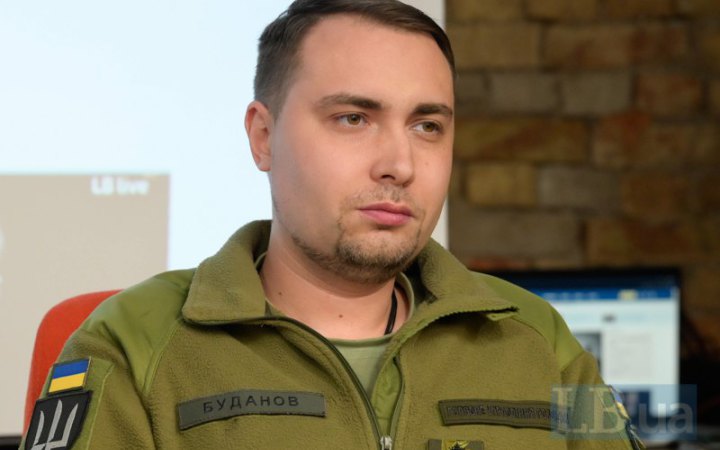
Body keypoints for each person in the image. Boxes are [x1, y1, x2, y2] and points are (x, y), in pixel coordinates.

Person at [22, 1, 644, 449]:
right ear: (263, 137)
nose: (400, 164)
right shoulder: (132, 346)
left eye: (427, 126)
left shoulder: (538, 341)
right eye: (353, 118)